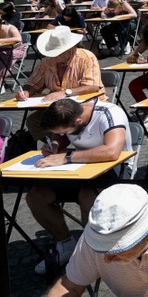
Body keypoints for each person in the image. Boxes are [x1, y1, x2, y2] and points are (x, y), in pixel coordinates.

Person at [27, 97, 133, 274]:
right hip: (79, 169)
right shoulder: (70, 116)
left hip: (116, 169)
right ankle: (66, 243)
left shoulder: (109, 113)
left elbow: (112, 151)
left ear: (78, 121)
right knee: (36, 196)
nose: (62, 135)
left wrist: (67, 157)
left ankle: (93, 250)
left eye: (64, 132)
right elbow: (59, 138)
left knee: (86, 195)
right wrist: (54, 145)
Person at [16, 25, 103, 142]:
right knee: (34, 121)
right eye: (53, 53)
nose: (55, 56)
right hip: (58, 107)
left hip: (86, 105)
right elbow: (33, 84)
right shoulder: (46, 62)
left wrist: (65, 93)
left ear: (71, 48)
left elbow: (93, 87)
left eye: (59, 53)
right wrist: (26, 92)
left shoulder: (86, 57)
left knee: (64, 119)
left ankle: (61, 145)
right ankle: (53, 146)